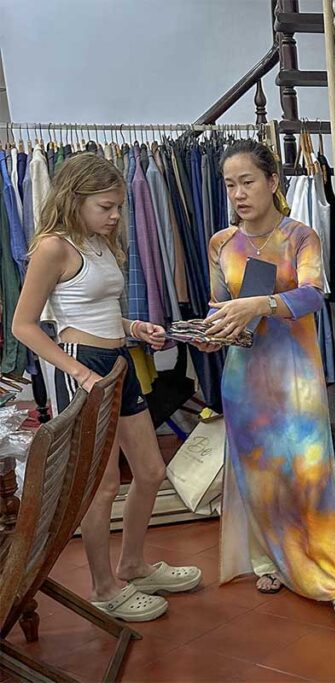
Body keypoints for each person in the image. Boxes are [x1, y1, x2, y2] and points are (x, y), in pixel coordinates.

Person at [12, 153, 201, 622]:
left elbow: (96, 310)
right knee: (102, 484)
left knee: (151, 471)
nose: (116, 215)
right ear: (74, 200)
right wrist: (80, 375)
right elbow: (25, 326)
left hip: (115, 360)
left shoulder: (98, 242)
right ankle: (103, 587)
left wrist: (135, 327)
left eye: (118, 205)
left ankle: (133, 563)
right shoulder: (53, 248)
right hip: (81, 365)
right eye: (106, 206)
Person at [192, 139, 335, 623]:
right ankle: (267, 558)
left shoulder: (300, 237)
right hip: (244, 377)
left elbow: (311, 295)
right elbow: (217, 306)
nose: (239, 193)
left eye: (247, 181)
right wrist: (210, 333)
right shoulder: (221, 243)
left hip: (296, 377)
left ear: (272, 182)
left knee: (311, 475)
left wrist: (261, 304)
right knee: (261, 477)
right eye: (230, 185)